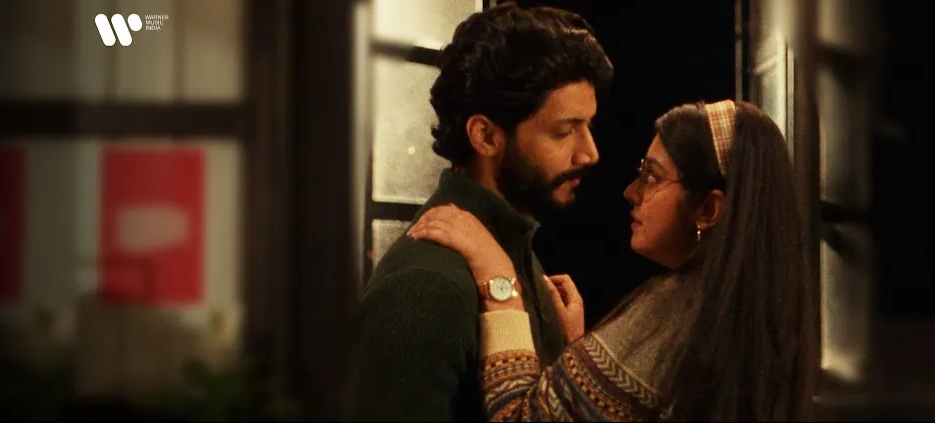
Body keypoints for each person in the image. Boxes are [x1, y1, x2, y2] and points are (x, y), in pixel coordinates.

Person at [406, 100, 821, 421]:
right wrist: (580, 359)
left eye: (652, 177)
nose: (630, 192)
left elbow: (520, 418)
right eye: (564, 130)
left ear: (708, 210)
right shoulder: (752, 304)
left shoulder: (678, 308)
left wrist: (500, 281)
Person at [342, 3, 613, 421]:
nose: (589, 153)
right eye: (564, 131)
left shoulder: (513, 256)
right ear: (485, 136)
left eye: (588, 126)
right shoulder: (425, 288)